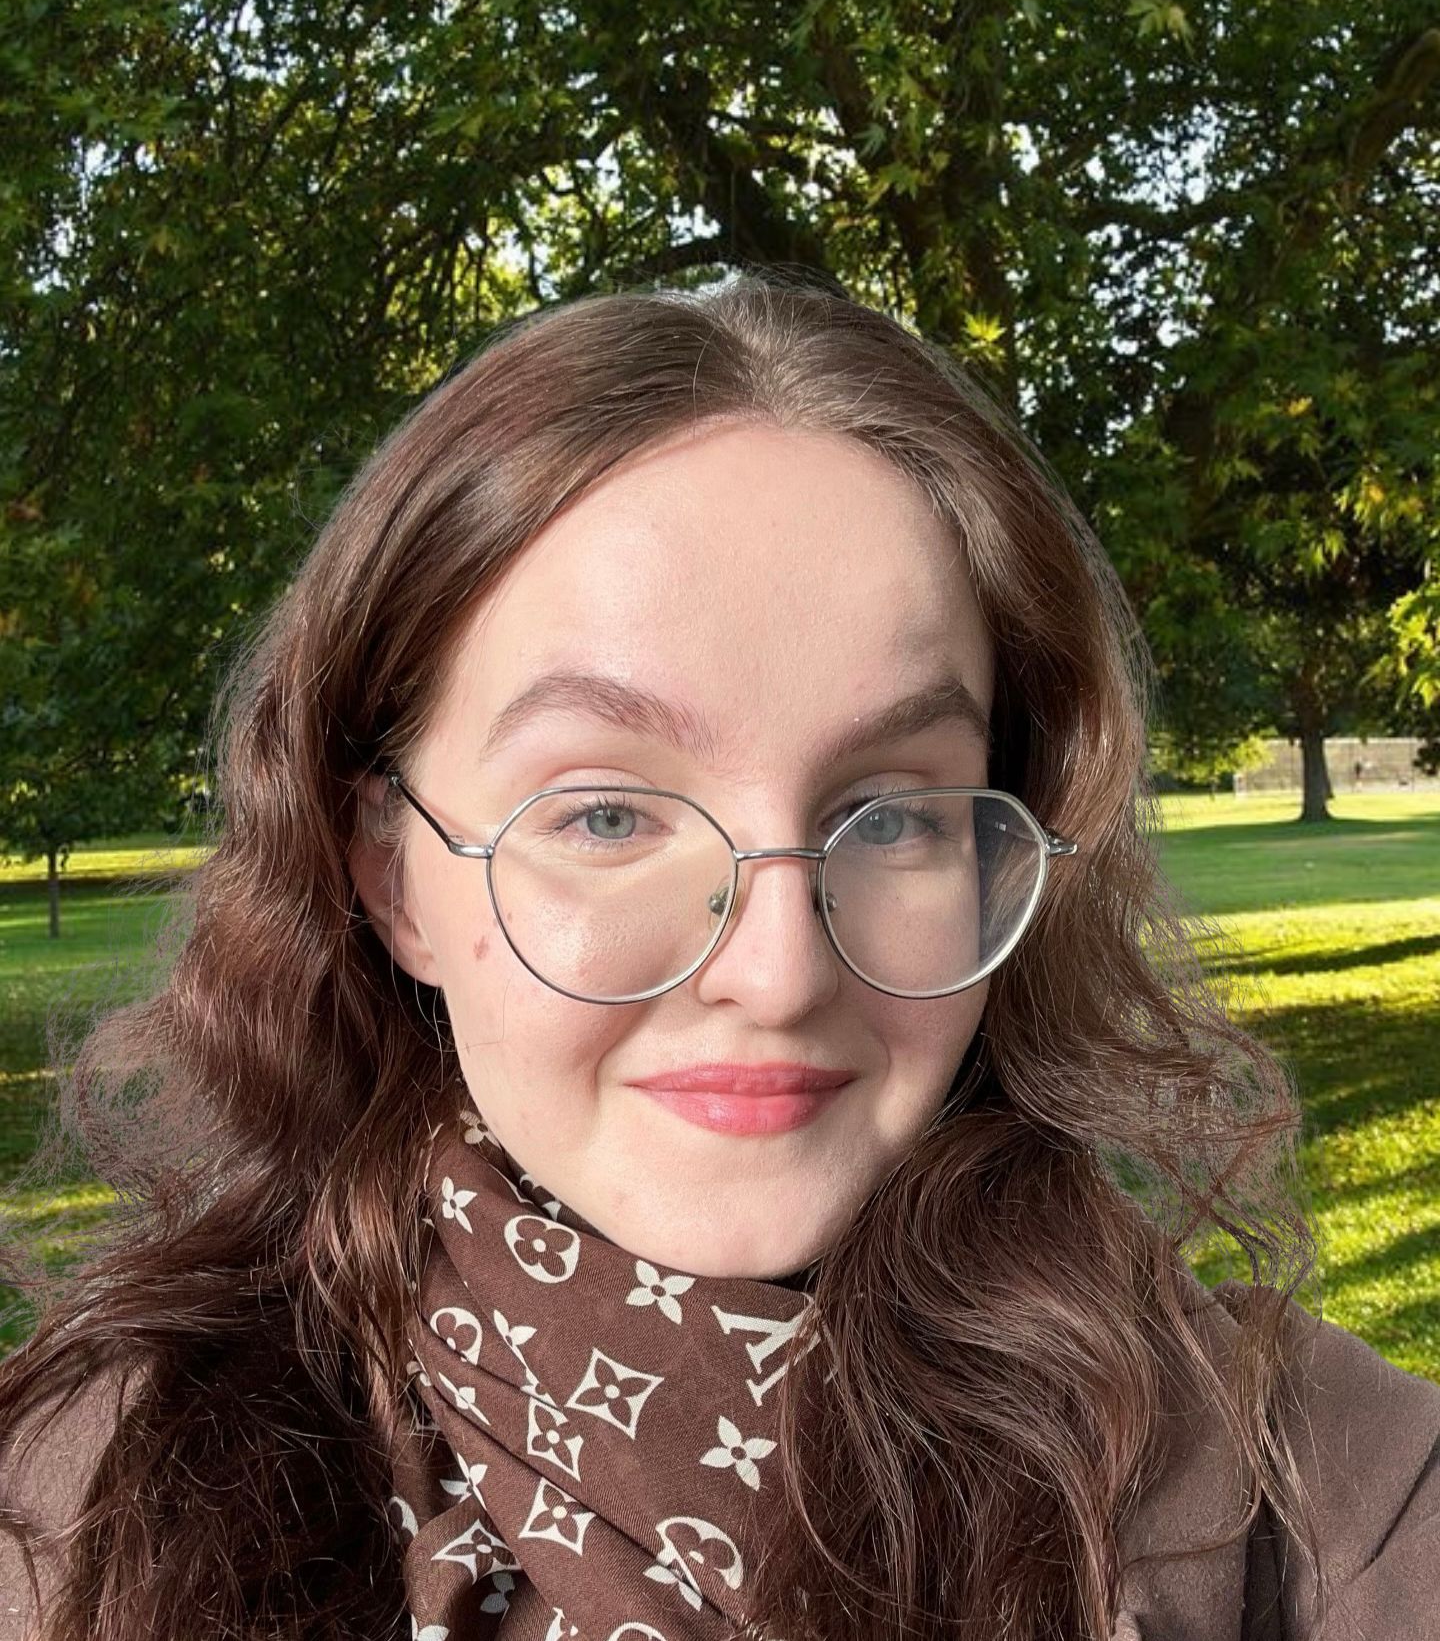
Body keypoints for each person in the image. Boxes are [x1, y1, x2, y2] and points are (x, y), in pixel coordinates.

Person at [2, 271, 1437, 1641]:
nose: (779, 970)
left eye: (892, 816)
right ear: (395, 873)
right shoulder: (79, 1511)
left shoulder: (1337, 1506)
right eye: (609, 811)